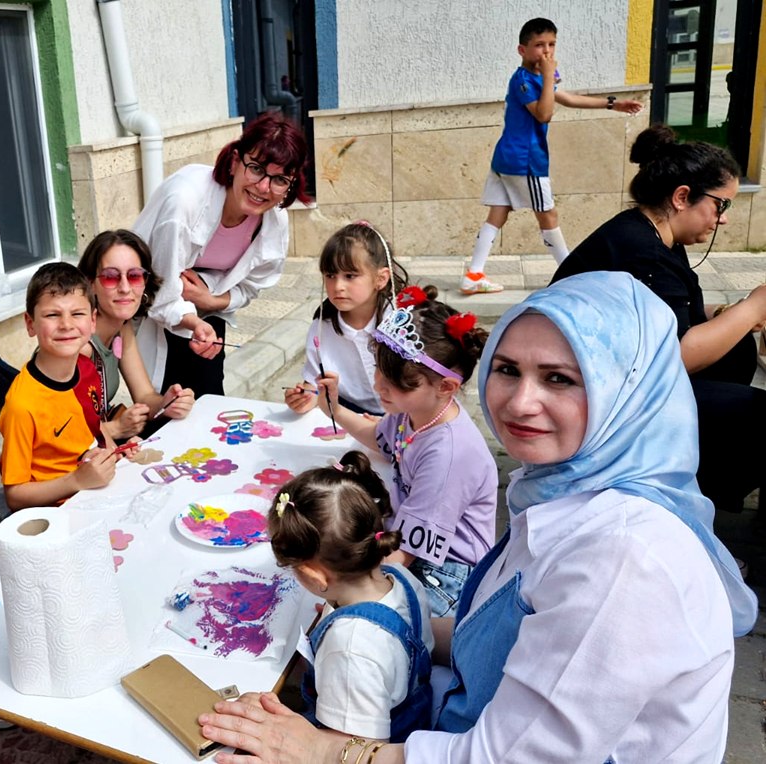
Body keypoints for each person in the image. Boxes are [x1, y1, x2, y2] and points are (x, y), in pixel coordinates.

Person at [199, 271, 756, 763]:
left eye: (560, 378)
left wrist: (324, 750)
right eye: (508, 369)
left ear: (628, 394)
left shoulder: (625, 559)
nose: (518, 403)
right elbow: (490, 637)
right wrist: (382, 618)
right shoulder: (558, 490)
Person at [553, 124, 766, 514]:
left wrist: (726, 315)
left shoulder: (653, 232)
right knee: (758, 415)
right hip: (598, 402)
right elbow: (679, 353)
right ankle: (686, 509)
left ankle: (697, 471)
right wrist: (754, 306)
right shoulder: (643, 252)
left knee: (736, 348)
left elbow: (665, 313)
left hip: (617, 378)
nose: (723, 219)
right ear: (683, 197)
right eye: (722, 205)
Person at [315, 285, 496, 616]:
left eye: (398, 381)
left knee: (350, 612)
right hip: (408, 537)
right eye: (379, 369)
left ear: (446, 387)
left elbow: (408, 551)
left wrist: (348, 587)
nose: (379, 385)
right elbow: (379, 437)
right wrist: (336, 410)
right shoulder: (410, 413)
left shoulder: (448, 455)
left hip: (448, 573)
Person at [461, 17, 643, 295]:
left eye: (551, 44)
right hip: (525, 160)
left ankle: (473, 274)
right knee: (548, 214)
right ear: (522, 50)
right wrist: (548, 77)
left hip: (506, 159)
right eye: (538, 45)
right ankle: (571, 274)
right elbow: (544, 112)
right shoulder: (523, 80)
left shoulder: (537, 77)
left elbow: (567, 97)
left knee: (497, 213)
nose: (546, 51)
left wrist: (613, 104)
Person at [133, 112, 309, 397]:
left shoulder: (274, 218)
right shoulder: (185, 202)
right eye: (256, 169)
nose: (264, 187)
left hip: (206, 305)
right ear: (235, 162)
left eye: (279, 179)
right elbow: (159, 291)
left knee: (210, 396)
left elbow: (252, 285)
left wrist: (212, 300)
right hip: (149, 299)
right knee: (164, 401)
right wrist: (193, 318)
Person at [269, 451, 434, 742]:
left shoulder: (348, 647)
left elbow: (350, 749)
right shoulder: (402, 578)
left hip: (371, 742)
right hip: (408, 714)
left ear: (315, 577)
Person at [0, 262, 118, 511]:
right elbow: (15, 496)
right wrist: (76, 480)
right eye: (53, 315)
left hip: (96, 492)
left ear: (93, 320)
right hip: (54, 511)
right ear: (30, 324)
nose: (66, 324)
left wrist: (115, 452)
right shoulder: (22, 405)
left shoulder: (87, 368)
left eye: (77, 314)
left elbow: (95, 426)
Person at [76, 229, 195, 439]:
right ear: (90, 284)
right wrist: (116, 429)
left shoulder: (122, 327)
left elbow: (145, 395)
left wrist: (167, 402)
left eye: (134, 276)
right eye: (110, 277)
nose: (124, 288)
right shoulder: (78, 344)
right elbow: (55, 430)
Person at [285, 222, 409, 416]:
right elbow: (315, 384)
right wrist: (304, 398)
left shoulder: (403, 322)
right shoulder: (321, 327)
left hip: (406, 417)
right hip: (349, 416)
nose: (338, 286)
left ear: (381, 278)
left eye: (350, 275)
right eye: (330, 275)